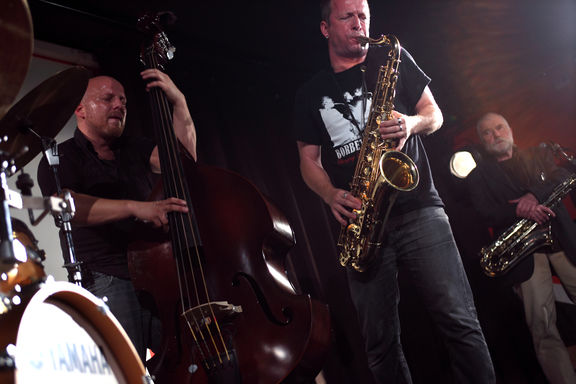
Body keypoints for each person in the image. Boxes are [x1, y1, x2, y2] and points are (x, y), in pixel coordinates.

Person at [292, 0, 495, 382]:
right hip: (363, 222)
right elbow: (307, 160)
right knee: (380, 345)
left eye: (364, 16)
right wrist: (329, 194)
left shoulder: (393, 59)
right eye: (347, 17)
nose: (358, 23)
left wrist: (411, 123)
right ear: (325, 29)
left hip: (420, 209)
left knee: (460, 322)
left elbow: (433, 115)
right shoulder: (311, 93)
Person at [37, 69, 197, 362]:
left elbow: (183, 162)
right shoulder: (62, 158)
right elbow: (70, 207)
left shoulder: (135, 148)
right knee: (126, 368)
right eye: (107, 99)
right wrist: (137, 207)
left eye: (123, 100)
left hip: (156, 272)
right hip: (106, 278)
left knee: (188, 359)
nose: (119, 105)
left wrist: (179, 102)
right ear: (80, 109)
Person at [468, 112, 576, 384]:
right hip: (524, 253)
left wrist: (533, 196)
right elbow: (484, 212)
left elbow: (563, 177)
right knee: (543, 330)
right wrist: (516, 209)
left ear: (511, 130)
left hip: (563, 240)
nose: (496, 135)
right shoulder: (478, 176)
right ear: (482, 142)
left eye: (499, 127)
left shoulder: (537, 155)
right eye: (487, 133)